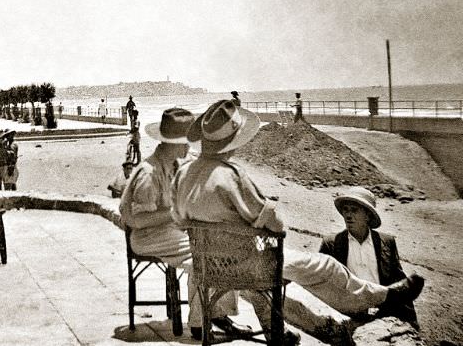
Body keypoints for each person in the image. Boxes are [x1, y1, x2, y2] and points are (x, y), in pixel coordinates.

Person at [172, 100, 425, 345]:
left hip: (208, 265)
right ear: (231, 142)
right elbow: (276, 225)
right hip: (246, 265)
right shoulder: (231, 175)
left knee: (271, 280)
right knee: (325, 266)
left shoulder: (183, 173)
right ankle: (384, 296)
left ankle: (286, 332)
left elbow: (179, 220)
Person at [119, 108, 248, 339]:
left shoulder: (173, 163)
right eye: (187, 143)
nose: (190, 148)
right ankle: (201, 322)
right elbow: (136, 220)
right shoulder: (150, 172)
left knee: (220, 246)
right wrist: (175, 212)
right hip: (147, 237)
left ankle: (213, 315)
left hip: (167, 231)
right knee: (203, 253)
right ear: (173, 144)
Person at [320, 187, 418, 326]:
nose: (348, 215)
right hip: (347, 315)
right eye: (345, 210)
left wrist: (411, 322)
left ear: (367, 215)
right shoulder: (332, 243)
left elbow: (398, 281)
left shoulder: (387, 242)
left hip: (382, 315)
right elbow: (322, 283)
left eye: (354, 210)